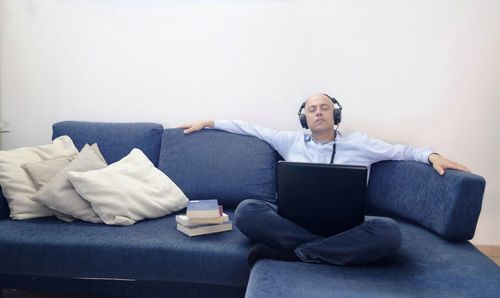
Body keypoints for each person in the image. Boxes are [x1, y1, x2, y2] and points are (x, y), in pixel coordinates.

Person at [179, 93, 470, 267]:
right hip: (292, 222)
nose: (318, 112)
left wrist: (433, 156)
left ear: (336, 114)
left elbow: (404, 151)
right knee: (246, 211)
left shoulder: (360, 143)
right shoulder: (290, 140)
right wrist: (209, 121)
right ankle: (326, 251)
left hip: (346, 226)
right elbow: (249, 128)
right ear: (305, 118)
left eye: (325, 107)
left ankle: (297, 253)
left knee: (388, 232)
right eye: (312, 109)